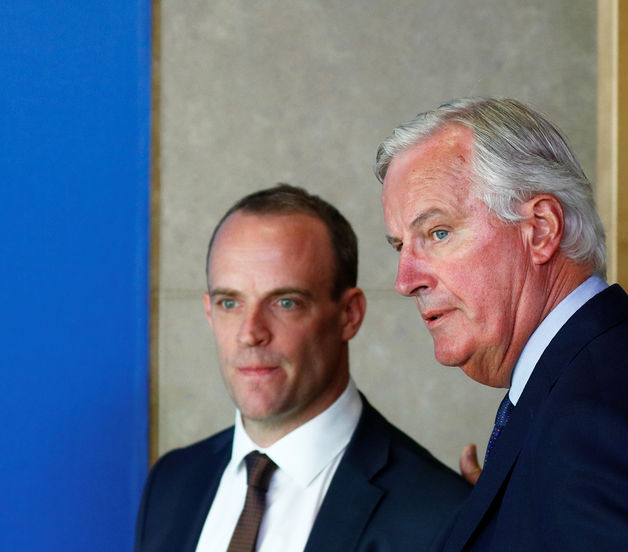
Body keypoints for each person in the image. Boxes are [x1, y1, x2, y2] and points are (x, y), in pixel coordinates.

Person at [376, 98, 628, 551]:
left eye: (438, 232)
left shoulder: (596, 424)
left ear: (541, 229)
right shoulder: (622, 377)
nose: (406, 280)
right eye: (400, 246)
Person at [135, 184, 470, 552]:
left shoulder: (439, 514)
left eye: (285, 303)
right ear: (209, 313)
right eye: (230, 303)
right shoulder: (172, 483)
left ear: (349, 315)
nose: (250, 334)